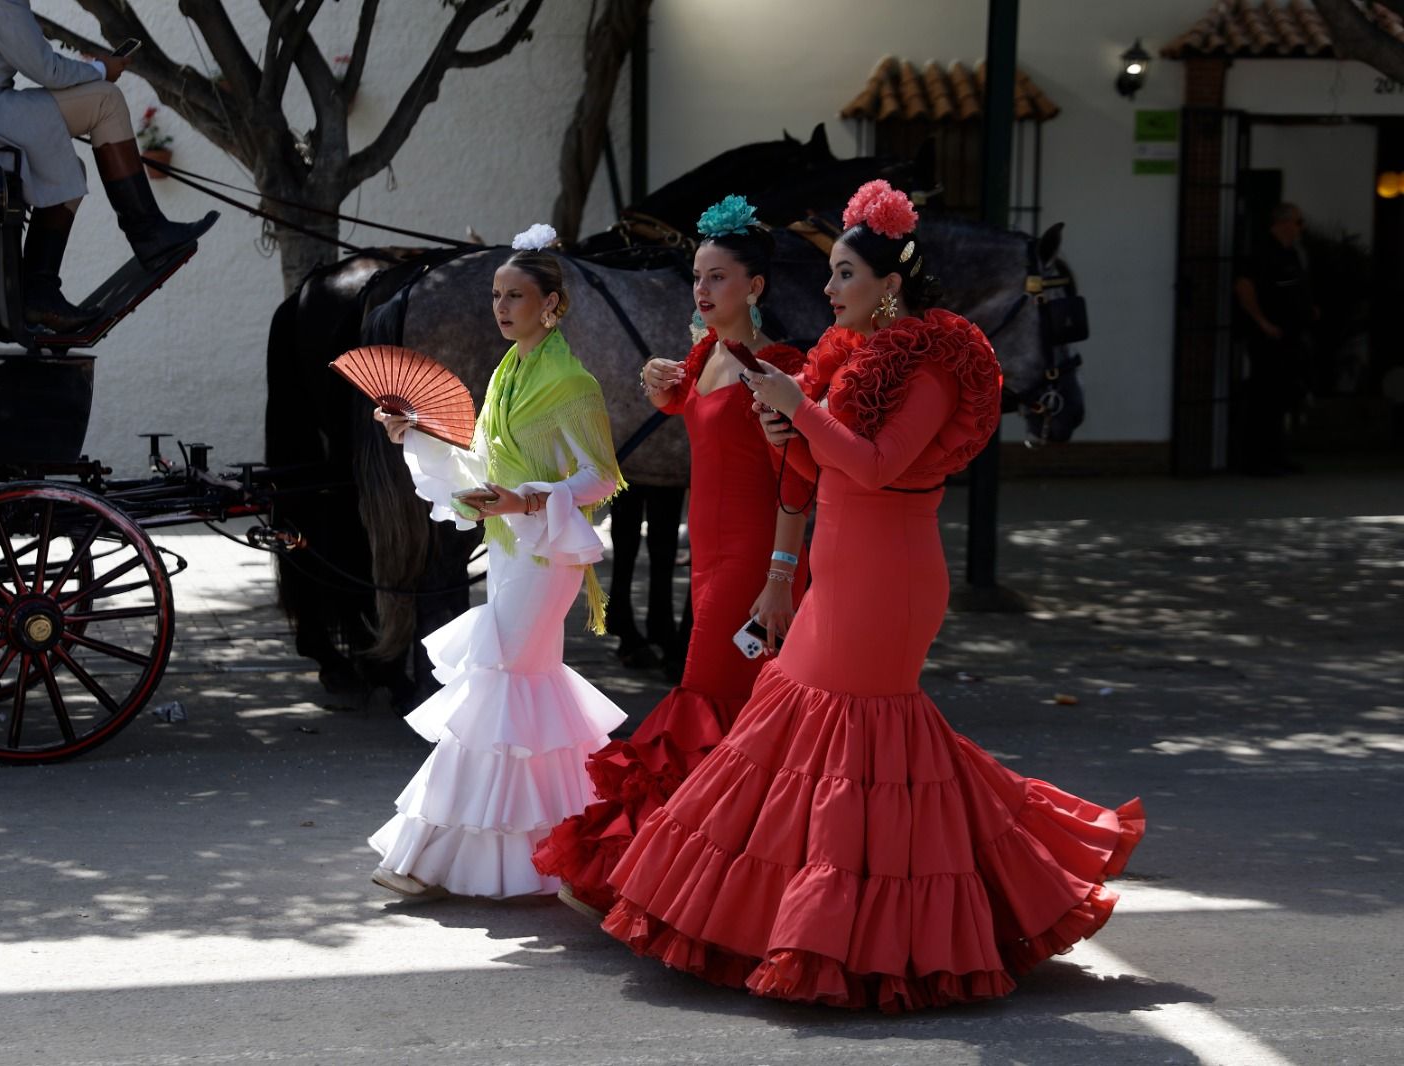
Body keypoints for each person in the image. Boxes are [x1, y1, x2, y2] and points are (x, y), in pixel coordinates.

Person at [602, 181, 1145, 1012]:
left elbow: (879, 463)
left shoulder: (927, 358)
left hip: (888, 579)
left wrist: (798, 414)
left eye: (844, 274)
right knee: (800, 734)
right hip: (836, 571)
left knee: (862, 749)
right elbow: (816, 471)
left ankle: (861, 936)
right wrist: (788, 494)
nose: (828, 290)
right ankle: (778, 923)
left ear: (888, 283)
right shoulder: (845, 355)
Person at [532, 196, 811, 918]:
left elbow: (798, 481)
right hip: (710, 556)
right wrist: (667, 389)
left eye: (718, 278)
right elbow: (687, 404)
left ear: (754, 288)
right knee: (743, 719)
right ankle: (722, 879)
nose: (702, 290)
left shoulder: (776, 365)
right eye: (697, 277)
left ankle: (657, 874)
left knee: (709, 704)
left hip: (755, 561)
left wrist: (781, 578)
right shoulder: (706, 354)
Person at [367, 224, 629, 899]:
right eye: (495, 295)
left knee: (500, 686)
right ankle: (566, 846)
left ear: (552, 305)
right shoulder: (507, 372)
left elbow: (602, 478)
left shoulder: (572, 383)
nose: (501, 307)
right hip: (513, 549)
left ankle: (428, 859)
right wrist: (419, 432)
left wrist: (528, 498)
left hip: (547, 557)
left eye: (516, 296)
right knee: (517, 699)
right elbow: (484, 465)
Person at [0, 0, 219, 332]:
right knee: (105, 99)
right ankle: (148, 234)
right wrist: (101, 70)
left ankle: (40, 291)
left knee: (68, 170)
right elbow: (46, 69)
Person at [1233, 202, 1316, 475]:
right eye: (1298, 221)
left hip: (1289, 336)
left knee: (1281, 397)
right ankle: (1256, 459)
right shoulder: (1262, 251)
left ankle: (1276, 455)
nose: (1301, 227)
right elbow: (1244, 287)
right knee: (1264, 397)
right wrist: (1263, 323)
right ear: (1283, 223)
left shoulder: (1291, 253)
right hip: (1268, 338)